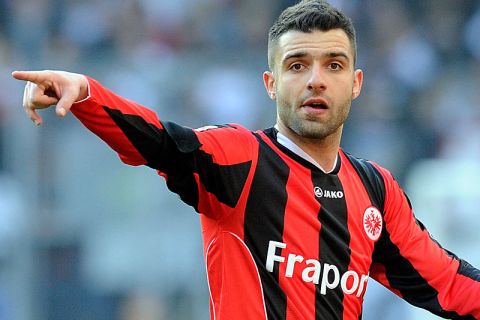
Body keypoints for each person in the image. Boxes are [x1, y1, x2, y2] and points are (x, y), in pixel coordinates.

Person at [12, 0, 480, 319]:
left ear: (355, 83)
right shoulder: (243, 158)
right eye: (297, 65)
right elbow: (157, 141)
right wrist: (89, 93)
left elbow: (447, 282)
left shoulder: (375, 190)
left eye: (333, 65)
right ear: (271, 84)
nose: (316, 80)